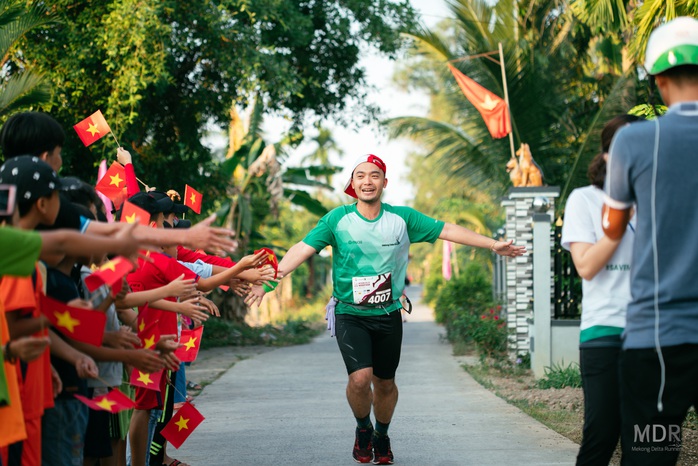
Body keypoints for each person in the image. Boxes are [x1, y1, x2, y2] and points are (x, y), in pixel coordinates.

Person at [247, 154, 525, 464]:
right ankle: (363, 429)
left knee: (385, 383)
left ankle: (382, 433)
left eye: (375, 175)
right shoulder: (337, 219)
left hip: (389, 314)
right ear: (352, 185)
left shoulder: (402, 219)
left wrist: (492, 244)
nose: (368, 181)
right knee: (360, 379)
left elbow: (446, 229)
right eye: (361, 176)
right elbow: (302, 248)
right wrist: (269, 281)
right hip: (350, 313)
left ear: (384, 183)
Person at [603, 16, 698, 465]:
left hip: (657, 338)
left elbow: (612, 228)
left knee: (650, 455)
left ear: (658, 80)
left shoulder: (634, 140)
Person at [561, 114, 640, 465]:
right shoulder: (585, 200)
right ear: (606, 155)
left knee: (649, 440)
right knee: (602, 432)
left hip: (654, 333)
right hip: (605, 330)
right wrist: (617, 221)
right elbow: (587, 267)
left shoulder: (658, 200)